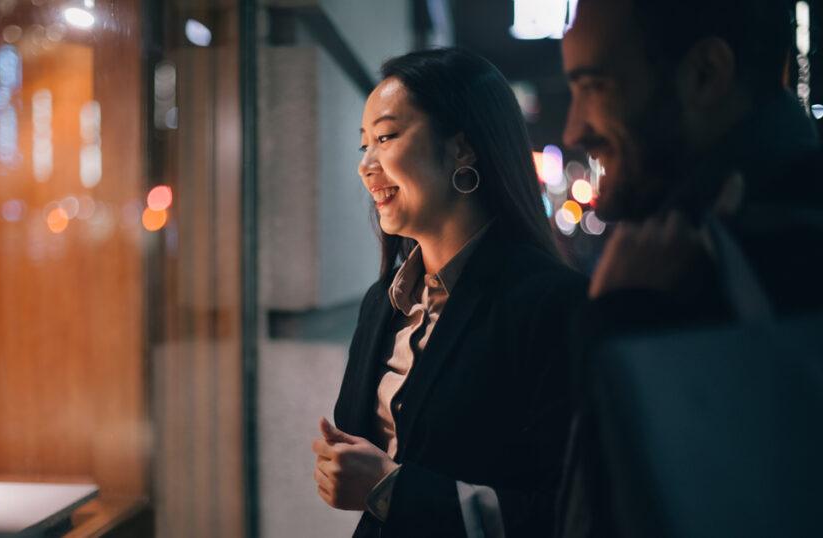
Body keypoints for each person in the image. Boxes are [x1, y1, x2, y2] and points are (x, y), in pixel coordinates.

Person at [557, 0, 823, 535]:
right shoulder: (701, 238)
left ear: (705, 74)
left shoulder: (765, 260)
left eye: (595, 86)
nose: (572, 129)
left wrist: (623, 327)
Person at [311, 47, 587, 538]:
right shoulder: (384, 302)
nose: (366, 164)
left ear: (462, 148)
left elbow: (566, 512)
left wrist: (391, 489)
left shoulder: (551, 304)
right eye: (363, 145)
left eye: (386, 137)